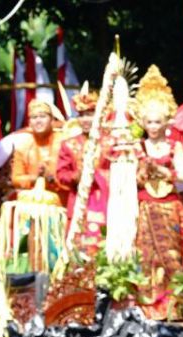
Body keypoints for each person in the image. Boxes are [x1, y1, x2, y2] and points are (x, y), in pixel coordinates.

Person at [131, 65, 183, 317]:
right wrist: (144, 171)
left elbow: (182, 176)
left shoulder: (174, 147)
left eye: (157, 121)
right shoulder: (137, 147)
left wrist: (164, 173)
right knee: (146, 256)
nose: (153, 126)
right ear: (142, 122)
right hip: (146, 206)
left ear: (166, 122)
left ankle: (173, 305)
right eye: (148, 122)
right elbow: (132, 179)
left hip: (170, 206)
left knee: (172, 255)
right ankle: (148, 307)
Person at [55, 83, 107, 256]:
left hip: (105, 203)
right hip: (79, 204)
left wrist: (99, 175)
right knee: (78, 252)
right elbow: (61, 175)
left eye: (90, 114)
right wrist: (77, 176)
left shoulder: (110, 143)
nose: (85, 119)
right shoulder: (69, 144)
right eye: (81, 115)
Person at [11, 100, 65, 199]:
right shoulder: (24, 146)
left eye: (43, 116)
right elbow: (16, 178)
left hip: (59, 200)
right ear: (29, 122)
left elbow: (69, 175)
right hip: (32, 201)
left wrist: (50, 177)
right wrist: (35, 178)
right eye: (34, 117)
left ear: (52, 120)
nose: (38, 121)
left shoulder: (63, 142)